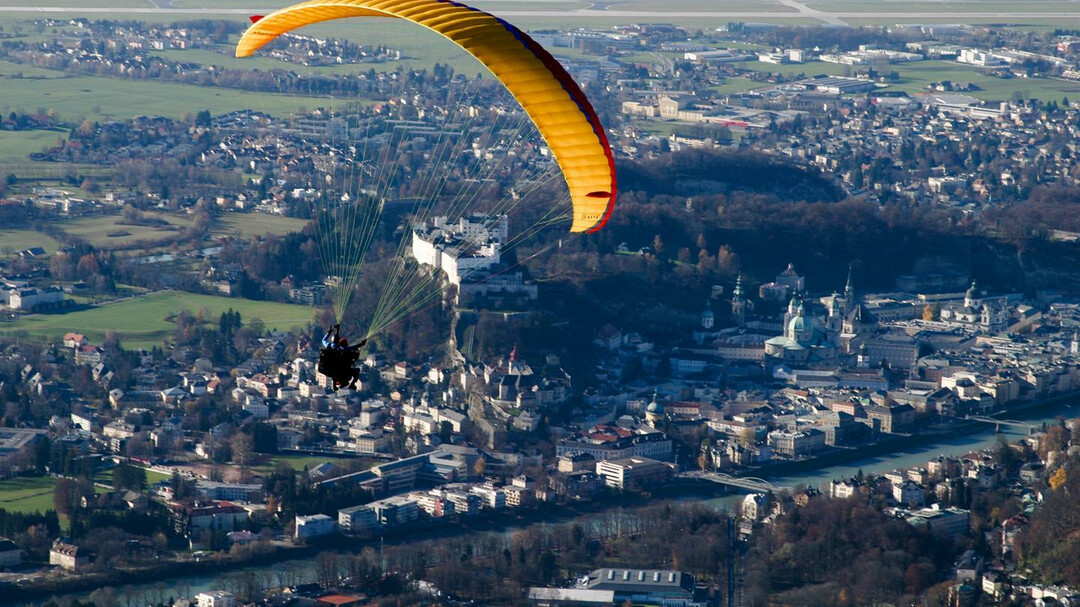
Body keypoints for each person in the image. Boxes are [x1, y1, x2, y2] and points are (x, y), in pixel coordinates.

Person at [318, 324, 367, 390]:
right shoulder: (342, 349)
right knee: (356, 371)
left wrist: (329, 333)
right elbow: (353, 347)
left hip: (326, 370)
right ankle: (352, 384)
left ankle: (336, 385)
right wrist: (361, 344)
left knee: (335, 370)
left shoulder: (328, 346)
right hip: (339, 371)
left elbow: (323, 340)